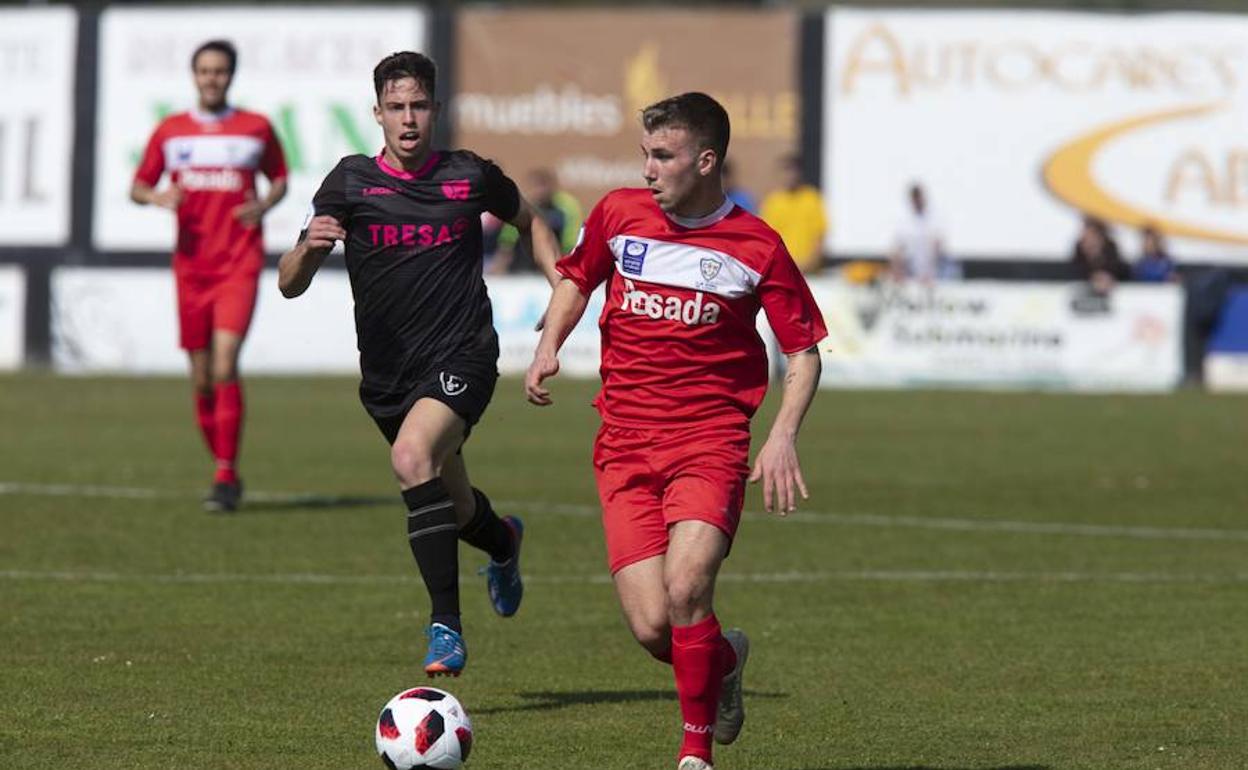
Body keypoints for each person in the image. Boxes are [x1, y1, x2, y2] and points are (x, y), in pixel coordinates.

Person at [525, 93, 827, 770]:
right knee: (654, 626)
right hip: (625, 444)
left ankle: (695, 756)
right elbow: (576, 279)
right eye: (645, 155)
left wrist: (782, 435)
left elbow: (803, 352)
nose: (649, 169)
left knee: (689, 588)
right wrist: (550, 342)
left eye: (663, 156)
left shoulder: (757, 245)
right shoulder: (618, 215)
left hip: (709, 442)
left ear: (706, 159)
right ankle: (723, 658)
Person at [277, 51, 562, 677]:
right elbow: (288, 284)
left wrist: (559, 287)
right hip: (387, 377)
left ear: (435, 110)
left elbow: (531, 220)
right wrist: (308, 249)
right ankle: (504, 542)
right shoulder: (348, 182)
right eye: (396, 108)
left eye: (419, 106)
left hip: (464, 352)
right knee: (454, 508)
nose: (408, 119)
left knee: (411, 459)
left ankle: (445, 629)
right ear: (377, 113)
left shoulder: (469, 175)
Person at [130, 40, 288, 512]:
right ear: (193, 75)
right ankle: (225, 467)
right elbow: (138, 186)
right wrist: (158, 198)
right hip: (191, 269)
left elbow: (280, 178)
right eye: (204, 71)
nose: (211, 78)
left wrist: (263, 204)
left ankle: (224, 475)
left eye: (219, 71)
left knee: (224, 365)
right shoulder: (172, 131)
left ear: (231, 76)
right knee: (201, 380)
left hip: (238, 263)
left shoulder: (255, 127)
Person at [489, 168, 583, 274]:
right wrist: (499, 265)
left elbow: (572, 241)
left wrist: (565, 267)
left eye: (543, 186)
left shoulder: (566, 205)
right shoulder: (524, 205)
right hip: (522, 268)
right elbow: (507, 241)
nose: (540, 191)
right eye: (536, 187)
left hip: (555, 264)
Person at [759, 153, 826, 274]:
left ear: (799, 173)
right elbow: (767, 240)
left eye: (793, 171)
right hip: (781, 270)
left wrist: (808, 265)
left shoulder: (812, 198)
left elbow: (819, 237)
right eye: (785, 171)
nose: (790, 176)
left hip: (809, 272)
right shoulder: (773, 202)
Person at [890, 183, 957, 283]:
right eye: (915, 198)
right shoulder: (904, 222)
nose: (917, 201)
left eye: (919, 197)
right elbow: (896, 250)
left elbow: (937, 248)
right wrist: (898, 272)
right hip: (912, 269)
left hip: (936, 269)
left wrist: (929, 272)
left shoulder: (935, 217)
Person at [1071, 215, 1129, 292]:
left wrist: (1109, 277)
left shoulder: (1111, 253)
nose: (1089, 241)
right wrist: (1093, 277)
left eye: (1092, 236)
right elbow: (1074, 273)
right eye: (1086, 237)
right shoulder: (1079, 255)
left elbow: (1122, 271)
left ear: (1100, 238)